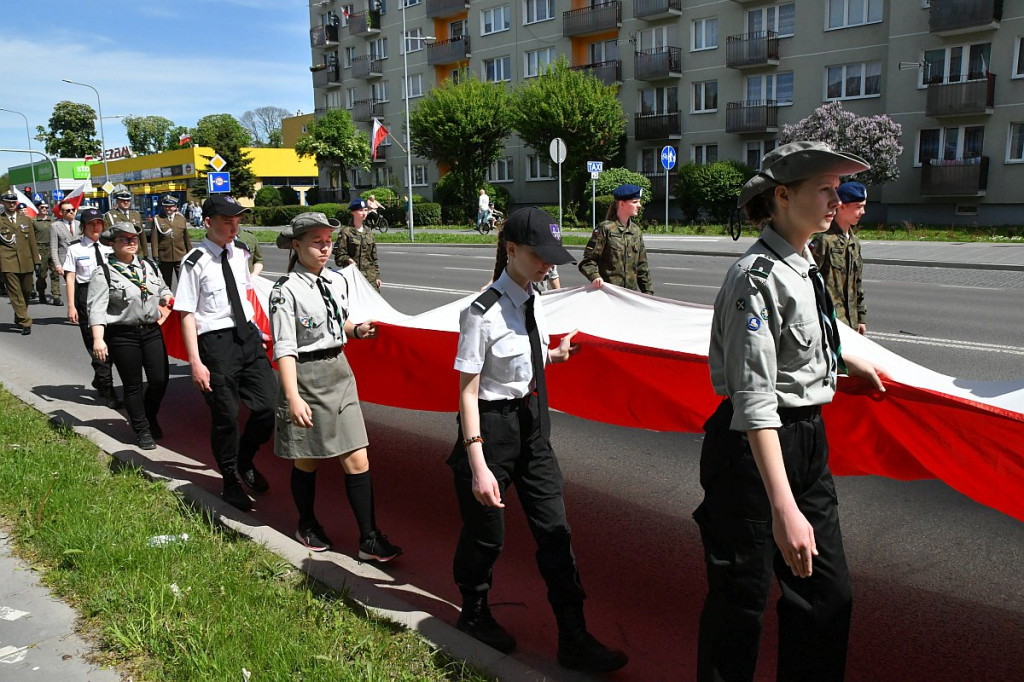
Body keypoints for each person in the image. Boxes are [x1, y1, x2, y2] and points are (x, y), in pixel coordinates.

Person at [695, 141, 888, 682]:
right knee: (741, 606)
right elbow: (754, 398)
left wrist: (843, 369)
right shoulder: (753, 279)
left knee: (826, 597)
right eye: (824, 188)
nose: (837, 198)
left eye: (836, 189)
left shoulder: (805, 264)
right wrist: (783, 508)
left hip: (804, 445)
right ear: (783, 196)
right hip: (754, 452)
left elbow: (800, 348)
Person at [450, 206, 628, 673]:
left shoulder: (533, 300)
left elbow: (523, 362)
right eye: (539, 255)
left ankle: (573, 635)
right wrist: (479, 464)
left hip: (534, 432)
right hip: (491, 433)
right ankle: (473, 611)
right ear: (511, 250)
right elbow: (469, 391)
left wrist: (556, 355)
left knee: (556, 534)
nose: (548, 265)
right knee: (486, 537)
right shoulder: (481, 312)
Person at [270, 212, 402, 560]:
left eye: (328, 241)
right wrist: (293, 397)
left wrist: (355, 330)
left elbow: (334, 321)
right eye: (317, 242)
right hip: (307, 378)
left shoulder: (334, 281)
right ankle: (307, 522)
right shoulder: (285, 291)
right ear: (296, 246)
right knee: (307, 461)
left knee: (358, 458)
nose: (325, 248)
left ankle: (369, 538)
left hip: (340, 373)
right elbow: (284, 347)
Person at [173, 195, 276, 511]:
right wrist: (196, 362)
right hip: (216, 345)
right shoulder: (194, 261)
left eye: (238, 221)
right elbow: (186, 313)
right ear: (208, 222)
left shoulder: (240, 253)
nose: (235, 227)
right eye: (228, 221)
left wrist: (256, 331)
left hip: (246, 337)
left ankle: (244, 459)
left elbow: (245, 296)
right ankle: (230, 480)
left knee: (267, 407)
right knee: (226, 417)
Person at [87, 222, 172, 450]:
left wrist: (166, 297)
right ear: (112, 243)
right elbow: (96, 309)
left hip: (151, 331)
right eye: (124, 239)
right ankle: (142, 429)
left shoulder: (149, 266)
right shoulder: (104, 273)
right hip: (123, 335)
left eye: (134, 238)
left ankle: (149, 415)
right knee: (132, 385)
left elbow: (163, 288)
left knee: (159, 380)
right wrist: (98, 339)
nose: (131, 242)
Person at [63, 208, 121, 407]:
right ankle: (108, 390)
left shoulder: (109, 246)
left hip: (109, 294)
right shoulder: (75, 249)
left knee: (111, 343)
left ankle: (99, 378)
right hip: (86, 296)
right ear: (84, 226)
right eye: (91, 224)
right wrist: (71, 306)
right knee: (96, 344)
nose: (96, 227)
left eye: (99, 223)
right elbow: (70, 278)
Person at [811, 181, 868, 335]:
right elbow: (809, 283)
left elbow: (857, 283)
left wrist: (861, 318)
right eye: (858, 207)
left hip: (851, 321)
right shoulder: (823, 241)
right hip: (830, 321)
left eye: (863, 206)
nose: (862, 212)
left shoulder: (854, 242)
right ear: (841, 207)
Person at [578, 184, 654, 294]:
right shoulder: (605, 229)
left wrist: (648, 295)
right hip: (609, 295)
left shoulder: (636, 231)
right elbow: (588, 261)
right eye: (635, 202)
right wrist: (595, 277)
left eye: (639, 202)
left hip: (630, 296)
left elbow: (642, 268)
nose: (639, 205)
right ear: (622, 204)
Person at [0, 190, 40, 334]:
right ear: (3, 203)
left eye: (13, 202)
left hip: (26, 260)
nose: (11, 204)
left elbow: (32, 242)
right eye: (8, 202)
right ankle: (25, 322)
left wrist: (37, 261)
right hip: (7, 261)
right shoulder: (0, 220)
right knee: (15, 293)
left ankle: (19, 315)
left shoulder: (26, 220)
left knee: (26, 291)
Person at [334, 198, 380, 290]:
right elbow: (338, 257)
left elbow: (374, 257)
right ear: (353, 212)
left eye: (366, 210)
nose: (364, 213)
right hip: (353, 279)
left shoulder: (368, 232)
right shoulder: (346, 232)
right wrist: (348, 260)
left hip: (370, 279)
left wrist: (377, 276)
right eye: (360, 210)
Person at [150, 194, 192, 288]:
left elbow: (186, 238)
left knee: (183, 282)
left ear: (176, 207)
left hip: (180, 255)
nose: (168, 208)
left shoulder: (181, 219)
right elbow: (154, 239)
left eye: (171, 206)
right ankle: (167, 301)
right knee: (165, 283)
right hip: (165, 256)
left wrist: (190, 253)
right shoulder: (158, 219)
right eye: (166, 206)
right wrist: (155, 255)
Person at [104, 185, 150, 258]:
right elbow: (107, 236)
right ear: (117, 201)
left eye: (128, 200)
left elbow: (142, 236)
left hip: (137, 253)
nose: (126, 202)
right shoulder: (110, 216)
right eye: (123, 200)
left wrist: (145, 254)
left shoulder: (136, 215)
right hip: (120, 253)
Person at [31, 201, 62, 306]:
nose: (44, 209)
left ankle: (56, 296)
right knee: (41, 275)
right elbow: (31, 238)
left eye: (46, 207)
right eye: (41, 207)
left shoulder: (52, 221)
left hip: (52, 248)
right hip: (40, 249)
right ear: (38, 208)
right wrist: (35, 253)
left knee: (55, 273)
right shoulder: (33, 221)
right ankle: (41, 292)